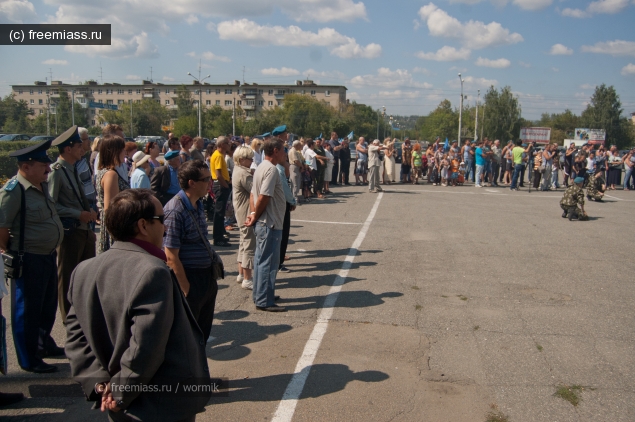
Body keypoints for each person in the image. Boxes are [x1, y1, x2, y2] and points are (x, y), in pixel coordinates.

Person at [65, 189, 211, 421]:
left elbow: (76, 336)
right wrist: (121, 390)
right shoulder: (153, 271)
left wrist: (100, 383)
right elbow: (145, 345)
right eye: (161, 220)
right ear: (143, 226)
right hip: (157, 403)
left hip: (117, 399)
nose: (165, 227)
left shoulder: (83, 270)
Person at [0, 140, 64, 373]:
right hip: (29, 259)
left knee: (47, 307)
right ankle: (29, 359)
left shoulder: (41, 185)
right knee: (27, 311)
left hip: (47, 256)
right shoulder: (14, 190)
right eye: (43, 164)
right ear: (26, 167)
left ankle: (42, 344)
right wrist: (13, 254)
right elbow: (2, 229)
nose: (48, 168)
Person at [164, 160, 223, 341]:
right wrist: (186, 290)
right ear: (192, 183)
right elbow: (171, 255)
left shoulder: (197, 204)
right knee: (188, 338)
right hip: (190, 278)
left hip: (205, 278)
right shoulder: (175, 210)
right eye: (206, 179)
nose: (210, 183)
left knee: (202, 334)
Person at [48, 126, 98, 323]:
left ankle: (83, 316)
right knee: (67, 278)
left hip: (84, 230)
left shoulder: (73, 168)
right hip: (69, 232)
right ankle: (68, 320)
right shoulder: (56, 172)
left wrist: (90, 212)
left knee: (85, 278)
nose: (82, 149)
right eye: (78, 145)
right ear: (68, 149)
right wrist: (79, 214)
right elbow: (51, 205)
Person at [245, 138, 288, 312]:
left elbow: (254, 196)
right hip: (269, 223)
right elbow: (263, 196)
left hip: (266, 222)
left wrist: (254, 213)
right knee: (267, 262)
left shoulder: (261, 166)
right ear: (276, 151)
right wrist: (256, 216)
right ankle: (264, 300)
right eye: (283, 150)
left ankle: (262, 293)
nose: (285, 154)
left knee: (262, 260)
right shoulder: (270, 169)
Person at [96, 135, 130, 254]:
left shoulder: (104, 171)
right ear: (114, 152)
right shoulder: (111, 174)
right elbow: (111, 209)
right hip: (115, 230)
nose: (125, 153)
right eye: (122, 149)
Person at [232, 146, 256, 289]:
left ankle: (241, 274)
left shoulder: (238, 170)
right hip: (246, 211)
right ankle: (248, 278)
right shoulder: (244, 173)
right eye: (249, 158)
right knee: (249, 244)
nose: (252, 160)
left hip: (241, 211)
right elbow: (255, 189)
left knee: (243, 243)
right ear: (242, 159)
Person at [210, 137, 232, 247]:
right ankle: (217, 237)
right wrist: (225, 186)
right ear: (222, 144)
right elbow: (218, 174)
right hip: (220, 185)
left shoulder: (218, 154)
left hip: (220, 184)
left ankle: (220, 233)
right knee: (219, 213)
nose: (229, 145)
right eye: (227, 143)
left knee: (221, 212)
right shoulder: (218, 155)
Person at [277, 159, 297, 273]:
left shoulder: (278, 170)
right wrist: (292, 201)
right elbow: (286, 191)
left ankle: (279, 260)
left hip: (280, 205)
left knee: (282, 234)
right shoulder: (279, 171)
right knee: (283, 234)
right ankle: (279, 262)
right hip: (282, 205)